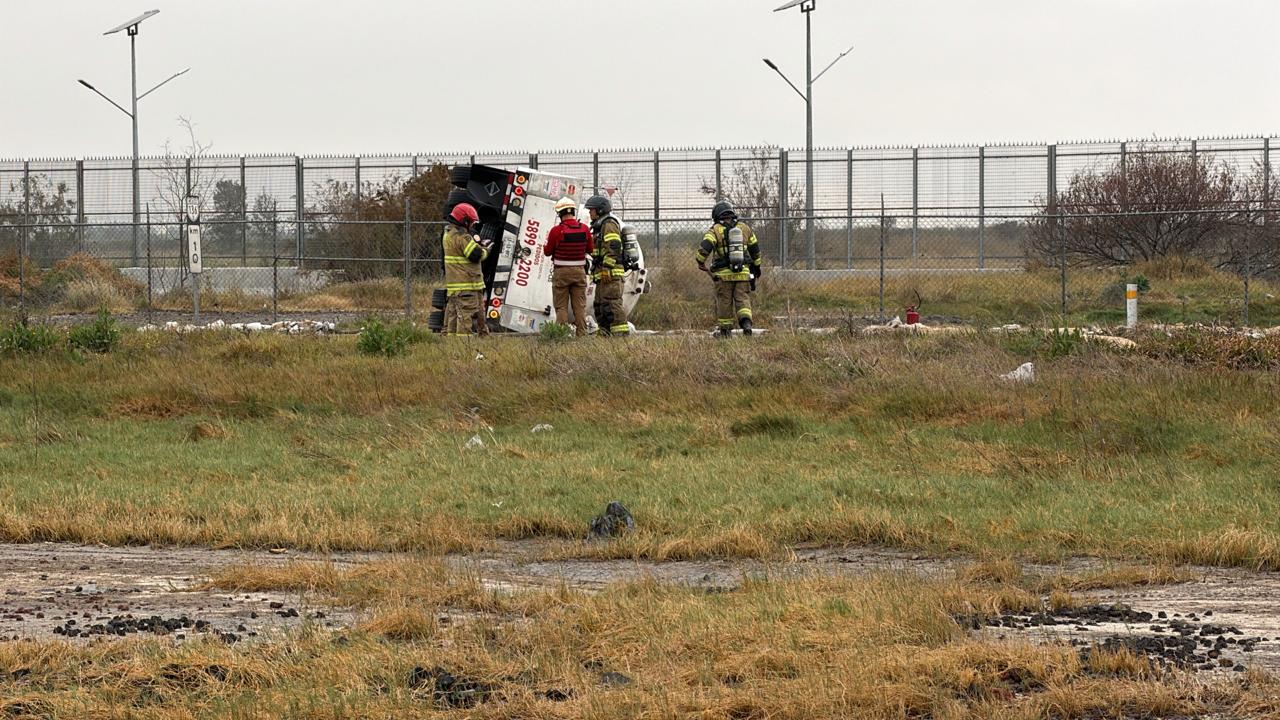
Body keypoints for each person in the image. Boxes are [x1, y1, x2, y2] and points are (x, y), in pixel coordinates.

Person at [696, 200, 761, 337]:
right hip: (743, 273)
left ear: (716, 216)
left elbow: (705, 247)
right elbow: (755, 249)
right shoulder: (744, 228)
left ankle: (725, 332)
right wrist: (756, 266)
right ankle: (746, 324)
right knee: (742, 299)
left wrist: (700, 261)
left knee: (724, 301)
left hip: (723, 276)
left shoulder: (714, 230)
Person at [543, 197, 594, 336]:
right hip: (579, 272)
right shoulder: (584, 229)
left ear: (560, 214)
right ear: (573, 212)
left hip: (561, 273)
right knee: (580, 307)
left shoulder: (556, 231)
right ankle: (582, 335)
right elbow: (590, 249)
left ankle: (562, 334)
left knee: (561, 306)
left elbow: (547, 252)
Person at [441, 202, 490, 336]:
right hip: (467, 285)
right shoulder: (463, 237)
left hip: (454, 286)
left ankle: (451, 346)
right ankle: (463, 347)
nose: (472, 226)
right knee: (465, 318)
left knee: (453, 317)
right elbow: (476, 255)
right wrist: (486, 250)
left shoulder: (448, 234)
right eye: (471, 223)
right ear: (465, 220)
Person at [584, 194, 630, 336]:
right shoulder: (599, 226)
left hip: (611, 274)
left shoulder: (609, 224)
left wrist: (607, 268)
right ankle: (605, 334)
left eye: (591, 210)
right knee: (600, 306)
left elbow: (613, 247)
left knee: (612, 304)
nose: (589, 212)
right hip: (603, 275)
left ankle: (620, 336)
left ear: (600, 210)